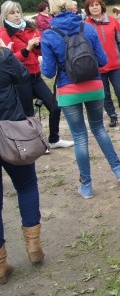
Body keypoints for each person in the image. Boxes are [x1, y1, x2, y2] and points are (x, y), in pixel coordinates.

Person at [41, 0, 120, 199]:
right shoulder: (87, 28)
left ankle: (87, 186)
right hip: (94, 87)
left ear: (52, 7)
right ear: (71, 3)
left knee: (80, 137)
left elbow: (49, 72)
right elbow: (103, 60)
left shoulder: (49, 34)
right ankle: (119, 171)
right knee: (99, 129)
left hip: (68, 90)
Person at [0, 39, 45, 285]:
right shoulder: (4, 57)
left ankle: (0, 264)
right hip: (12, 132)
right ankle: (33, 245)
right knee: (27, 185)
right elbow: (24, 81)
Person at [0, 0, 74, 150]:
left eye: (18, 11)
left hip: (36, 75)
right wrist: (27, 48)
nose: (16, 15)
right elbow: (9, 58)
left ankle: (54, 139)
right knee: (28, 114)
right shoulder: (3, 33)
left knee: (55, 106)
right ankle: (34, 145)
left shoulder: (29, 27)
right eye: (12, 13)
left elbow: (40, 52)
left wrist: (39, 46)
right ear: (5, 15)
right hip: (20, 79)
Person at [84, 0, 120, 128]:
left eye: (97, 4)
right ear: (88, 8)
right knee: (105, 93)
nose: (95, 7)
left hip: (115, 64)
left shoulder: (113, 21)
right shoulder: (85, 25)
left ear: (102, 6)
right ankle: (112, 116)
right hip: (97, 67)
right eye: (91, 5)